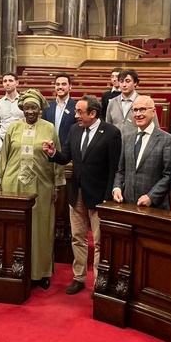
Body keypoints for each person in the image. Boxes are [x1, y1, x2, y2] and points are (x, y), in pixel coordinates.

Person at [43, 95, 122, 295]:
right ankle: (78, 278)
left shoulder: (111, 133)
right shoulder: (74, 130)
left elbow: (115, 169)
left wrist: (107, 198)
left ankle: (99, 283)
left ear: (93, 113)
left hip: (99, 196)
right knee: (77, 238)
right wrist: (52, 153)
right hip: (76, 193)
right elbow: (65, 157)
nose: (76, 115)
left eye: (80, 112)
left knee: (99, 241)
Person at [0, 89, 65, 289]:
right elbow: (5, 156)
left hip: (41, 186)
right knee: (15, 228)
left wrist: (58, 184)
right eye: (26, 107)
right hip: (13, 184)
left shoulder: (49, 128)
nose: (30, 111)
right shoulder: (13, 128)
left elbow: (57, 158)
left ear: (40, 109)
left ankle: (40, 272)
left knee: (41, 229)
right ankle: (15, 269)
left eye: (34, 107)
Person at [112, 95, 171, 209]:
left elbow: (169, 175)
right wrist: (116, 188)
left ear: (153, 111)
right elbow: (121, 171)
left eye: (142, 109)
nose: (138, 114)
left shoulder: (167, 139)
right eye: (135, 110)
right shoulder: (127, 138)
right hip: (127, 204)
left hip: (155, 206)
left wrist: (151, 197)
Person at [42, 73, 77, 147]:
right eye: (57, 84)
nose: (60, 87)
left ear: (70, 86)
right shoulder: (47, 107)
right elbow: (43, 129)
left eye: (63, 84)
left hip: (68, 149)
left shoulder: (75, 107)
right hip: (49, 149)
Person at [0, 72, 23, 150]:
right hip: (3, 140)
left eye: (10, 81)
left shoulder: (24, 102)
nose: (7, 83)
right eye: (5, 81)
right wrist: (0, 145)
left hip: (21, 140)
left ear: (17, 83)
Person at [105, 68, 140, 135]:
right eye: (121, 81)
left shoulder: (143, 102)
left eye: (128, 81)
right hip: (116, 142)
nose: (124, 85)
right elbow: (108, 126)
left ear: (135, 83)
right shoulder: (112, 102)